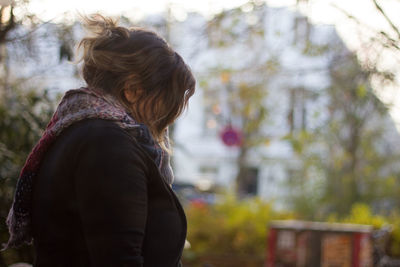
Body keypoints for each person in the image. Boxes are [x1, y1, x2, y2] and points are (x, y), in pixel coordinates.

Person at [3, 13, 195, 267]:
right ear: (133, 89)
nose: (167, 116)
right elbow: (120, 259)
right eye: (166, 99)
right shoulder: (109, 146)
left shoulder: (82, 129)